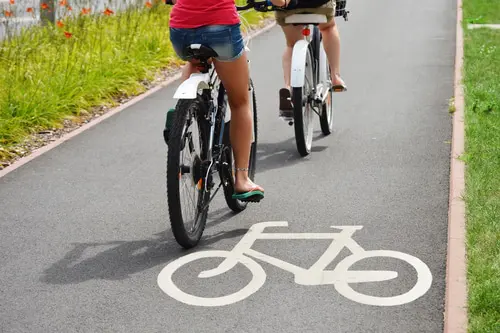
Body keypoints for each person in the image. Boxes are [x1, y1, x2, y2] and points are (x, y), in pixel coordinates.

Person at [163, 0, 266, 202]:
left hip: (181, 30)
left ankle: (179, 118)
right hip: (221, 29)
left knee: (195, 60)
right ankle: (242, 179)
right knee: (240, 102)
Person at [271, 0, 347, 118]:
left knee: (292, 45)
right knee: (328, 28)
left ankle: (288, 88)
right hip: (319, 5)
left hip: (287, 8)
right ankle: (335, 76)